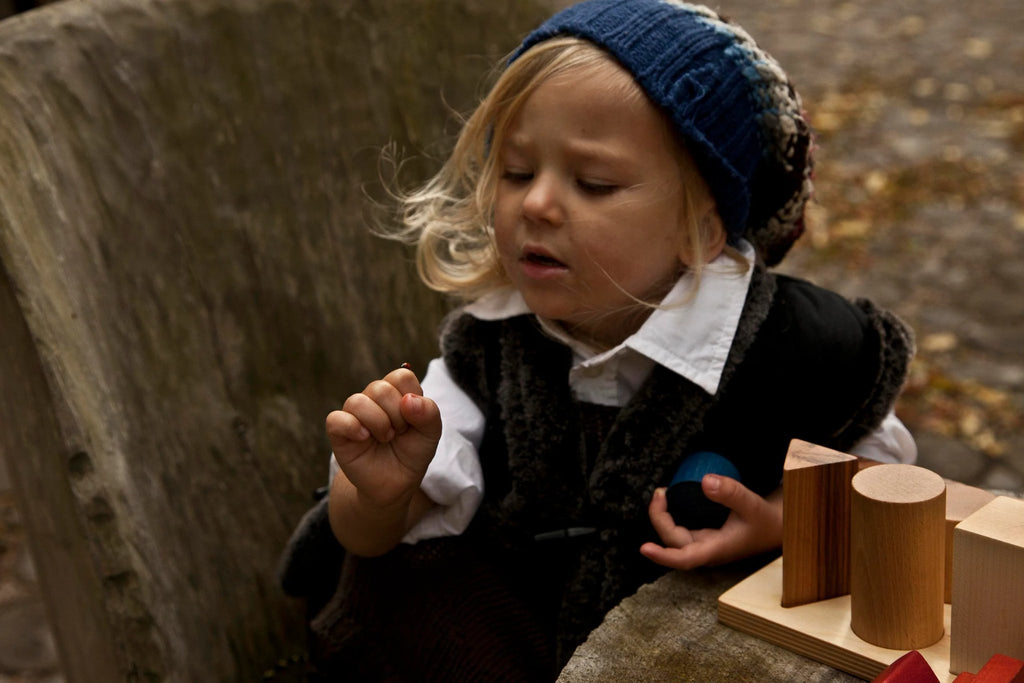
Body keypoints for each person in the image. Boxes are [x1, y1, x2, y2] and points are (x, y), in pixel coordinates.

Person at [279, 0, 916, 679]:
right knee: (398, 585)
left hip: (702, 649)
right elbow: (368, 537)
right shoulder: (485, 353)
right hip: (522, 638)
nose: (537, 204)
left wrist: (784, 520)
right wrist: (379, 494)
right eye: (517, 171)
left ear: (701, 229)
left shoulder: (795, 346)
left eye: (594, 182)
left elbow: (893, 484)